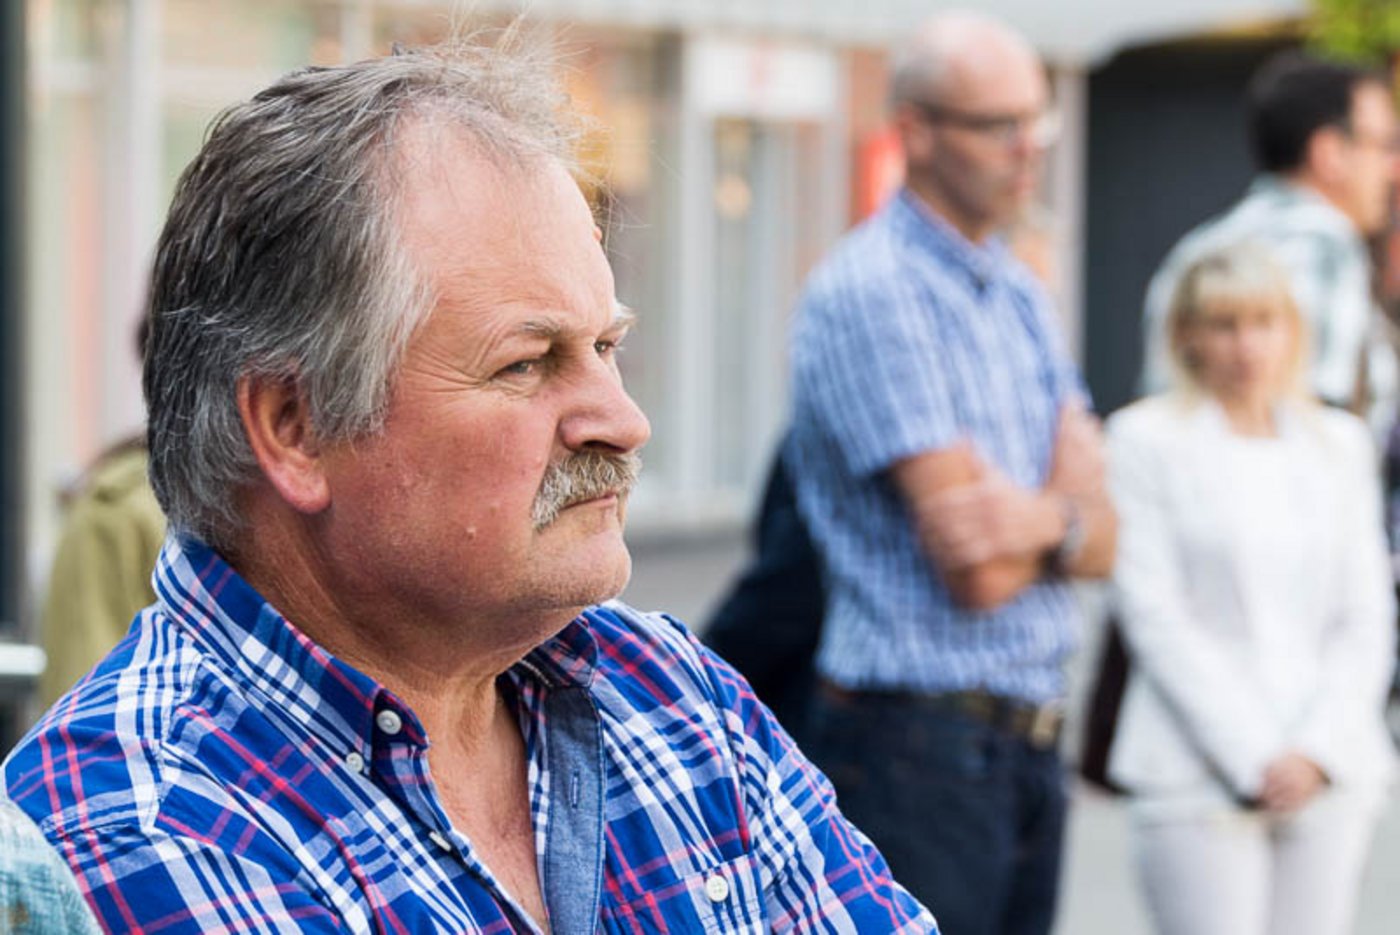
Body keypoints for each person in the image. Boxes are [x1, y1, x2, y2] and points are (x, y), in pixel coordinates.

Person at [2, 34, 936, 933]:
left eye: (607, 346)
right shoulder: (146, 828)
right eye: (528, 364)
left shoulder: (673, 694)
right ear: (295, 428)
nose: (622, 419)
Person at [784, 10, 1117, 934]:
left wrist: (1041, 519)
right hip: (915, 742)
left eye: (1037, 123)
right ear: (918, 130)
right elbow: (974, 567)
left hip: (1028, 739)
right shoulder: (876, 292)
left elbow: (1110, 536)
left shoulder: (1016, 289)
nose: (1028, 150)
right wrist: (1069, 506)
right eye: (999, 124)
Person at [1108, 243, 1396, 935]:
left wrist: (1317, 747)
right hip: (1195, 768)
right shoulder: (1145, 438)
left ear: (1292, 331)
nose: (1247, 345)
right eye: (1225, 324)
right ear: (1188, 334)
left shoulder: (1338, 443)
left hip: (1328, 766)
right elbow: (1153, 612)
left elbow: (1366, 612)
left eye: (1264, 322)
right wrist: (1255, 753)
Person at [1140, 51, 1400, 428]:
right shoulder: (1323, 244)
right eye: (1385, 145)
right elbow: (1319, 421)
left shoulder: (1198, 247)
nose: (1394, 169)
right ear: (1329, 152)